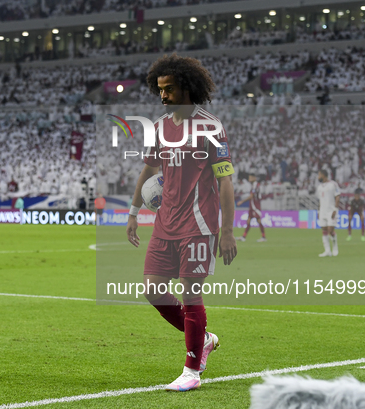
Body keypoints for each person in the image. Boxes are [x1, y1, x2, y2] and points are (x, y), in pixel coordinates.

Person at [126, 54, 237, 392]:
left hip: (199, 223)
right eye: (160, 90)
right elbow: (148, 170)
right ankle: (203, 339)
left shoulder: (210, 126)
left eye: (169, 89)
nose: (163, 96)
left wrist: (228, 231)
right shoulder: (159, 128)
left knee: (191, 295)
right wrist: (132, 214)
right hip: (165, 222)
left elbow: (226, 180)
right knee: (153, 290)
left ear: (187, 87)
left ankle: (192, 370)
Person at [316, 169, 340, 257]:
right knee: (324, 230)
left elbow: (337, 196)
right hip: (322, 211)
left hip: (331, 211)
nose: (318, 177)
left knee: (330, 230)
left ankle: (335, 247)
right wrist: (318, 211)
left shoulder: (333, 184)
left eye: (319, 175)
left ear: (323, 175)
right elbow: (320, 200)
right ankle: (327, 251)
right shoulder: (319, 187)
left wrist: (335, 209)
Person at [236, 172, 266, 242]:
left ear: (254, 178)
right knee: (248, 221)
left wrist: (241, 201)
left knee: (258, 220)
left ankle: (263, 237)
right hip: (252, 205)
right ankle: (243, 236)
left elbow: (251, 196)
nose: (249, 178)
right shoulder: (254, 185)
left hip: (255, 206)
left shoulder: (255, 185)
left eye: (250, 177)